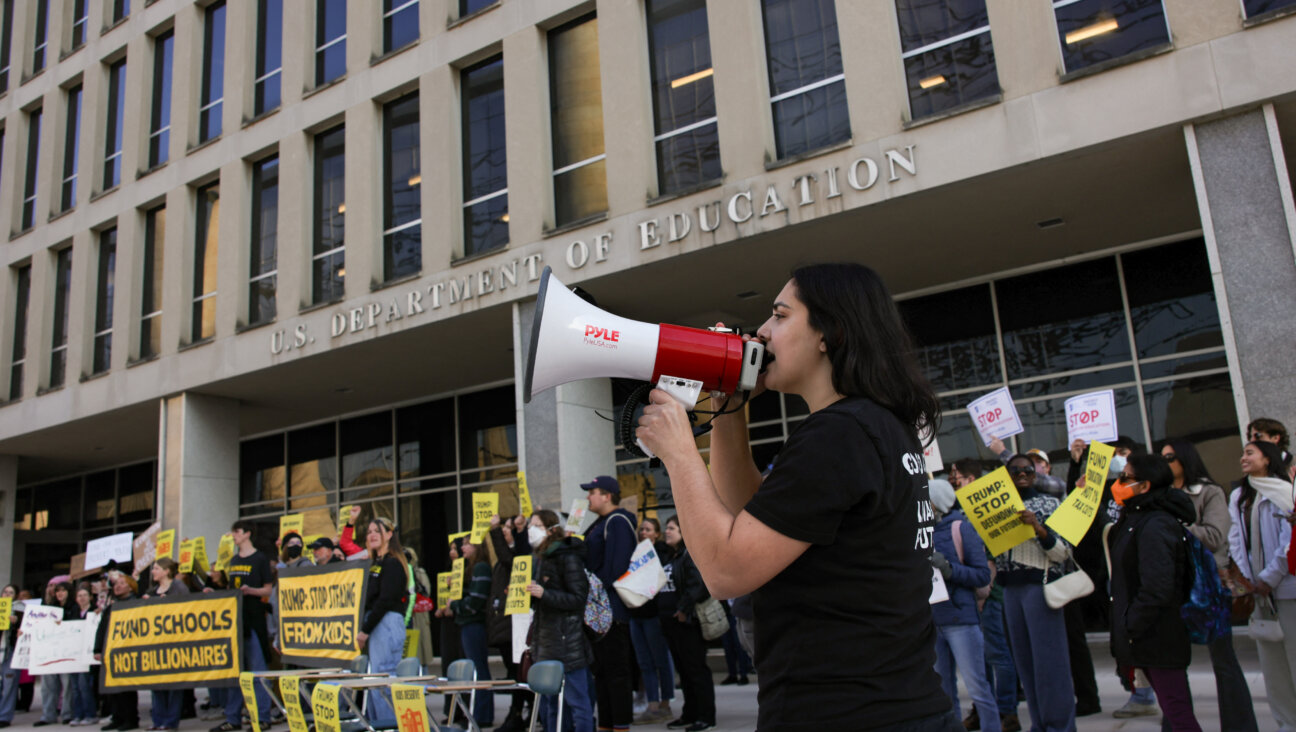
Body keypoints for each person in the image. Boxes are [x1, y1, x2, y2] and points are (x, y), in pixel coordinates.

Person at [634, 263, 954, 730]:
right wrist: (729, 411)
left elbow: (726, 570)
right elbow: (751, 520)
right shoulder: (876, 425)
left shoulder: (838, 434)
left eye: (780, 316)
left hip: (842, 714)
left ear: (830, 333)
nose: (762, 332)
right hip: (894, 706)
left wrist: (680, 452)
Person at [1161, 438, 1258, 731]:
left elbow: (1215, 535)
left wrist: (1172, 529)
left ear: (1184, 459)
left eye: (1169, 458)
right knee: (1173, 665)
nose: (1164, 463)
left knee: (1224, 661)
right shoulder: (1161, 494)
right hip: (1173, 583)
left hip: (1210, 584)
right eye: (1161, 459)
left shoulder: (1209, 491)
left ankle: (1240, 726)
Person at [1107, 454, 1202, 731]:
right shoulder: (1135, 518)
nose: (1118, 482)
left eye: (1126, 477)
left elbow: (1157, 587)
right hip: (1144, 634)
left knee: (1178, 712)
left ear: (1145, 486)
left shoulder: (1155, 523)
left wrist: (1130, 623)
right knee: (1172, 714)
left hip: (1159, 634)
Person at [995, 454, 1075, 732]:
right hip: (1009, 589)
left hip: (1039, 586)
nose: (1022, 474)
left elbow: (1064, 552)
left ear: (1036, 473)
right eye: (1015, 470)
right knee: (1025, 665)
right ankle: (1040, 724)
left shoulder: (1051, 503)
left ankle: (1061, 726)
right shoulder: (998, 508)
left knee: (1050, 663)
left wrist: (1038, 529)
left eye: (1027, 469)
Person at [1228, 440, 1296, 729]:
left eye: (1250, 452)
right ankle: (1286, 722)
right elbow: (1235, 538)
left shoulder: (1284, 492)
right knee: (1272, 665)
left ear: (1267, 459)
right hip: (1257, 592)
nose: (1243, 457)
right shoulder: (1239, 496)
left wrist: (1268, 577)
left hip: (1285, 588)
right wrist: (1247, 579)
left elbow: (1288, 541)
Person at [929, 481, 999, 732]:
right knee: (944, 693)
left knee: (978, 688)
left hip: (962, 621)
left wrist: (949, 569)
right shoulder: (923, 531)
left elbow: (982, 575)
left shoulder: (961, 528)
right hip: (934, 621)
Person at [527, 509, 595, 732]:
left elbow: (578, 598)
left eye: (536, 525)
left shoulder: (568, 557)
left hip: (567, 644)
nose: (531, 530)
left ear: (551, 529)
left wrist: (544, 594)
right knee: (552, 706)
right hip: (547, 642)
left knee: (578, 703)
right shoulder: (541, 559)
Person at [581, 475, 637, 732]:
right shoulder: (599, 523)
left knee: (616, 672)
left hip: (611, 609)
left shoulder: (618, 522)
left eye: (592, 492)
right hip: (597, 609)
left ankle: (621, 725)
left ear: (607, 495)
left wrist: (591, 586)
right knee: (601, 673)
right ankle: (605, 724)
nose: (588, 497)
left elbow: (617, 567)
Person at [212, 521, 273, 732]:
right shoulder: (234, 560)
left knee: (257, 670)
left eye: (237, 532)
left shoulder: (260, 559)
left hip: (254, 618)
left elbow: (268, 590)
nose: (234, 536)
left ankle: (263, 716)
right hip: (236, 622)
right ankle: (233, 717)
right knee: (235, 671)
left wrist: (250, 591)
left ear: (247, 534)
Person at [657, 516, 715, 732]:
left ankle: (706, 717)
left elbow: (698, 585)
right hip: (670, 623)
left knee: (696, 669)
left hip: (687, 622)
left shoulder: (689, 555)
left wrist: (683, 609)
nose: (667, 532)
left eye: (672, 528)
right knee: (684, 671)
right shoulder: (670, 557)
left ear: (684, 532)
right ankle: (689, 713)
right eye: (667, 528)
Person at [356, 517, 412, 725]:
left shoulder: (393, 563)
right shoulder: (375, 564)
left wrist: (365, 630)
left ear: (389, 534)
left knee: (385, 679)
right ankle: (378, 725)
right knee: (375, 681)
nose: (371, 535)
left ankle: (389, 725)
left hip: (386, 623)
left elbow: (386, 599)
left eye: (377, 531)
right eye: (369, 531)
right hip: (376, 623)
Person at [627, 517, 675, 725]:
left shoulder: (663, 553)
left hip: (654, 614)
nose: (643, 533)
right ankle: (652, 704)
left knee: (660, 660)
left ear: (657, 534)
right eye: (641, 529)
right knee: (644, 662)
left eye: (648, 530)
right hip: (636, 614)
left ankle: (665, 703)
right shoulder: (634, 553)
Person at [445, 536, 492, 728]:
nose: (462, 548)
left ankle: (482, 714)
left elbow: (475, 601)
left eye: (466, 544)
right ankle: (477, 713)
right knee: (475, 669)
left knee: (478, 670)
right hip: (469, 623)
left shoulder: (481, 568)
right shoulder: (471, 567)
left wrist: (455, 605)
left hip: (474, 624)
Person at [143, 559, 189, 731]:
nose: (153, 571)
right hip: (156, 644)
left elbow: (188, 609)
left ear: (166, 571)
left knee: (173, 685)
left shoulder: (179, 588)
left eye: (156, 568)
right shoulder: (152, 590)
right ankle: (158, 720)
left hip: (175, 643)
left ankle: (171, 721)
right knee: (157, 683)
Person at [95, 572, 140, 732]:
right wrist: (98, 648)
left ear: (131, 587)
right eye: (116, 584)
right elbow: (102, 629)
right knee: (113, 688)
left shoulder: (136, 603)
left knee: (126, 687)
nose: (117, 586)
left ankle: (130, 718)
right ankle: (117, 717)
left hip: (127, 651)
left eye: (122, 583)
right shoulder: (111, 606)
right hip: (111, 651)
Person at [987, 439, 1065, 497]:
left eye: (1039, 461)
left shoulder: (1057, 484)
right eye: (1031, 462)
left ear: (1048, 467)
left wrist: (1003, 452)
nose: (1034, 465)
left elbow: (1059, 486)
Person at [68, 586, 98, 728]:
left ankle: (90, 714)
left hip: (87, 654)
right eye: (79, 595)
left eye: (85, 595)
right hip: (74, 654)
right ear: (76, 598)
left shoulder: (95, 611)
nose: (82, 598)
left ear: (90, 597)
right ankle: (77, 715)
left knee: (84, 685)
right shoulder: (73, 612)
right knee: (75, 687)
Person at [0, 584, 22, 729]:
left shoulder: (21, 610)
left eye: (11, 592)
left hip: (11, 651)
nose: (7, 594)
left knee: (9, 685)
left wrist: (16, 623)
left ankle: (4, 716)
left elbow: (26, 628)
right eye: (5, 592)